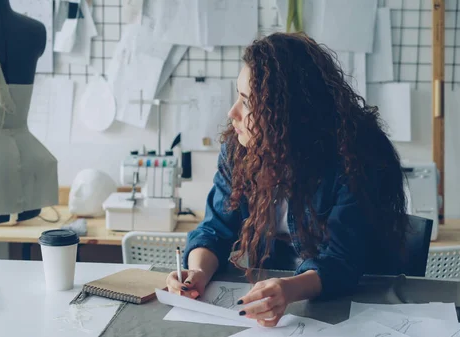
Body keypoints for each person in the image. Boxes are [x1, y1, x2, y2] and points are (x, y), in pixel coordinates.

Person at [165, 32, 409, 327]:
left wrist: (288, 289)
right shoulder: (238, 150)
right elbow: (216, 229)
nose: (233, 113)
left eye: (247, 102)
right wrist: (197, 273)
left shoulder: (356, 156)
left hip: (360, 304)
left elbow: (343, 261)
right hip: (282, 302)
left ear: (287, 113)